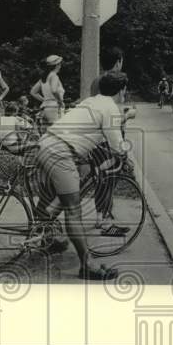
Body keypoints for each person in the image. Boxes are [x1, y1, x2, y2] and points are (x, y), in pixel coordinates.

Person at [35, 71, 136, 281]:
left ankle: (45, 238)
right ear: (121, 90)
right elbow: (117, 145)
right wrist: (127, 152)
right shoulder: (110, 108)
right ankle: (87, 265)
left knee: (55, 199)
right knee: (73, 210)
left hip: (48, 143)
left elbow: (89, 130)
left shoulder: (93, 101)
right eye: (125, 89)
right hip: (59, 151)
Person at [31, 55, 66, 127]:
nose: (60, 66)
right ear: (56, 65)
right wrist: (60, 101)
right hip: (54, 108)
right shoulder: (54, 76)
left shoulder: (44, 78)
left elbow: (33, 92)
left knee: (46, 135)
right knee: (58, 133)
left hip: (44, 108)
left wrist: (45, 100)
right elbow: (54, 90)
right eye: (60, 64)